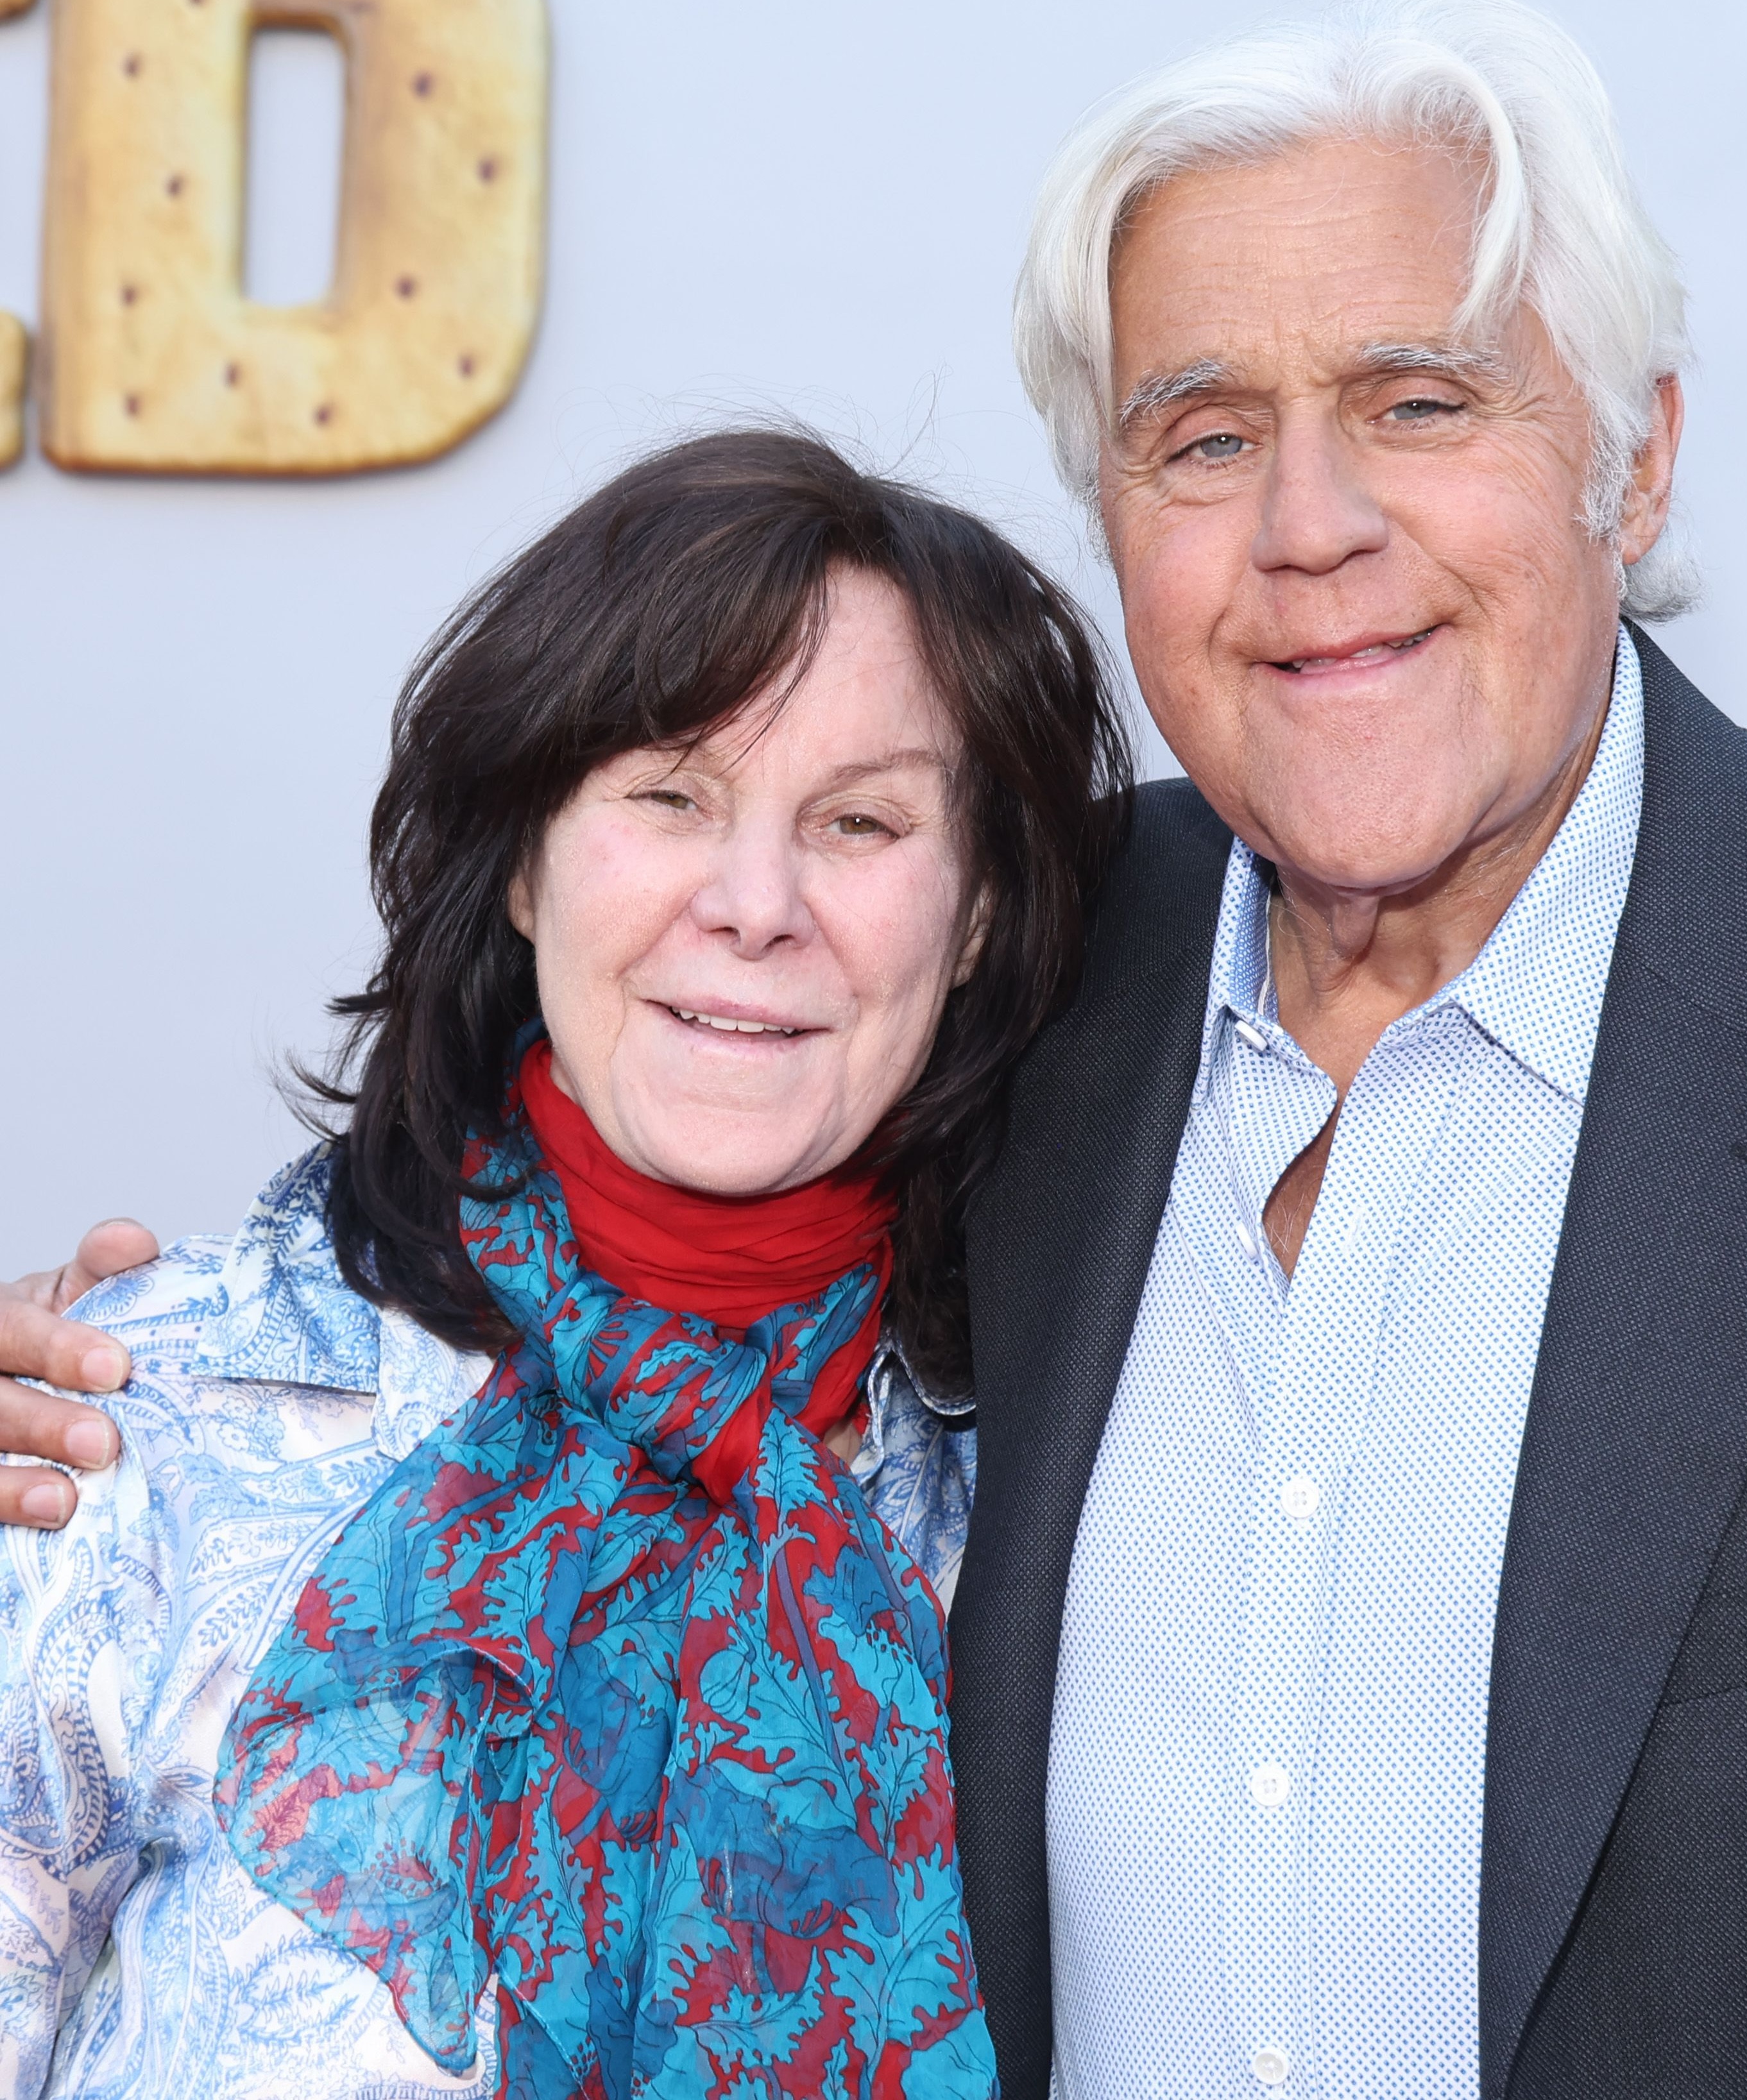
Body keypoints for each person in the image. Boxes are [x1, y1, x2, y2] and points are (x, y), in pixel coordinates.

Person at [11, 0, 1747, 2100]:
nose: (1308, 528)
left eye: (1419, 401)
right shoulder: (1044, 993)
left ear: (1630, 464)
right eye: (1203, 433)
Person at [0, 427, 1128, 2097]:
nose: (755, 903)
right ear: (525, 857)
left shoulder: (1066, 1507)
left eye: (860, 822)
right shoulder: (139, 1424)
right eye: (671, 795)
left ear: (972, 920)